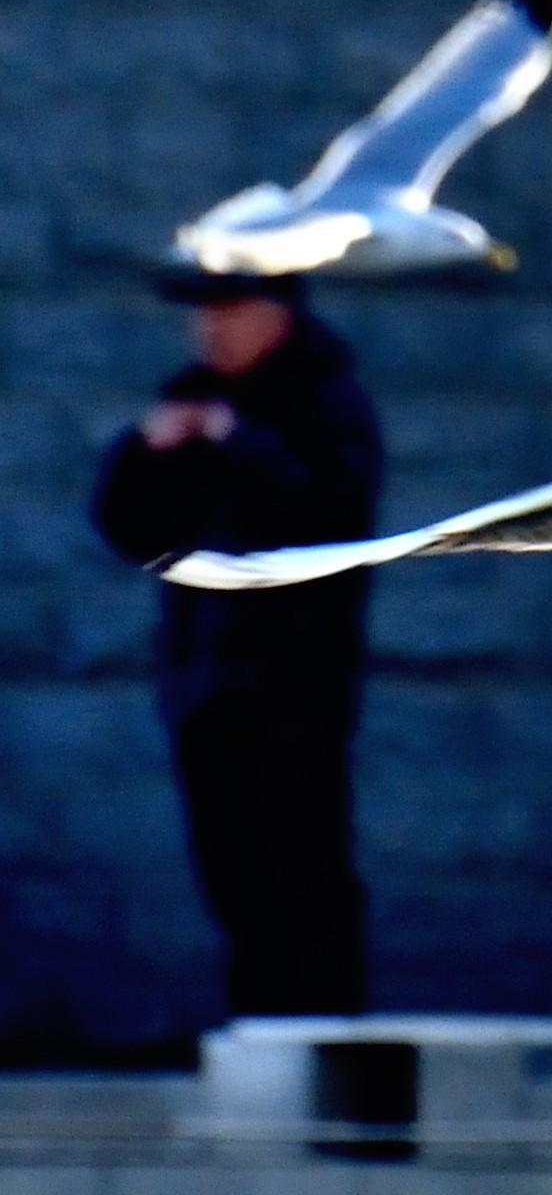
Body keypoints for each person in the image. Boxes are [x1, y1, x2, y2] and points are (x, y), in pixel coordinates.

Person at [90, 272, 385, 1017]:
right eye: (203, 315)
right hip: (202, 678)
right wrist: (146, 451)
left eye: (228, 312)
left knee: (305, 872)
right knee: (233, 874)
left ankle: (322, 1054)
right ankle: (261, 1045)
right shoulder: (190, 395)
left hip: (294, 683)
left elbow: (331, 510)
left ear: (276, 315)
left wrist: (239, 441)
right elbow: (127, 527)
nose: (209, 331)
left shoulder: (325, 401)